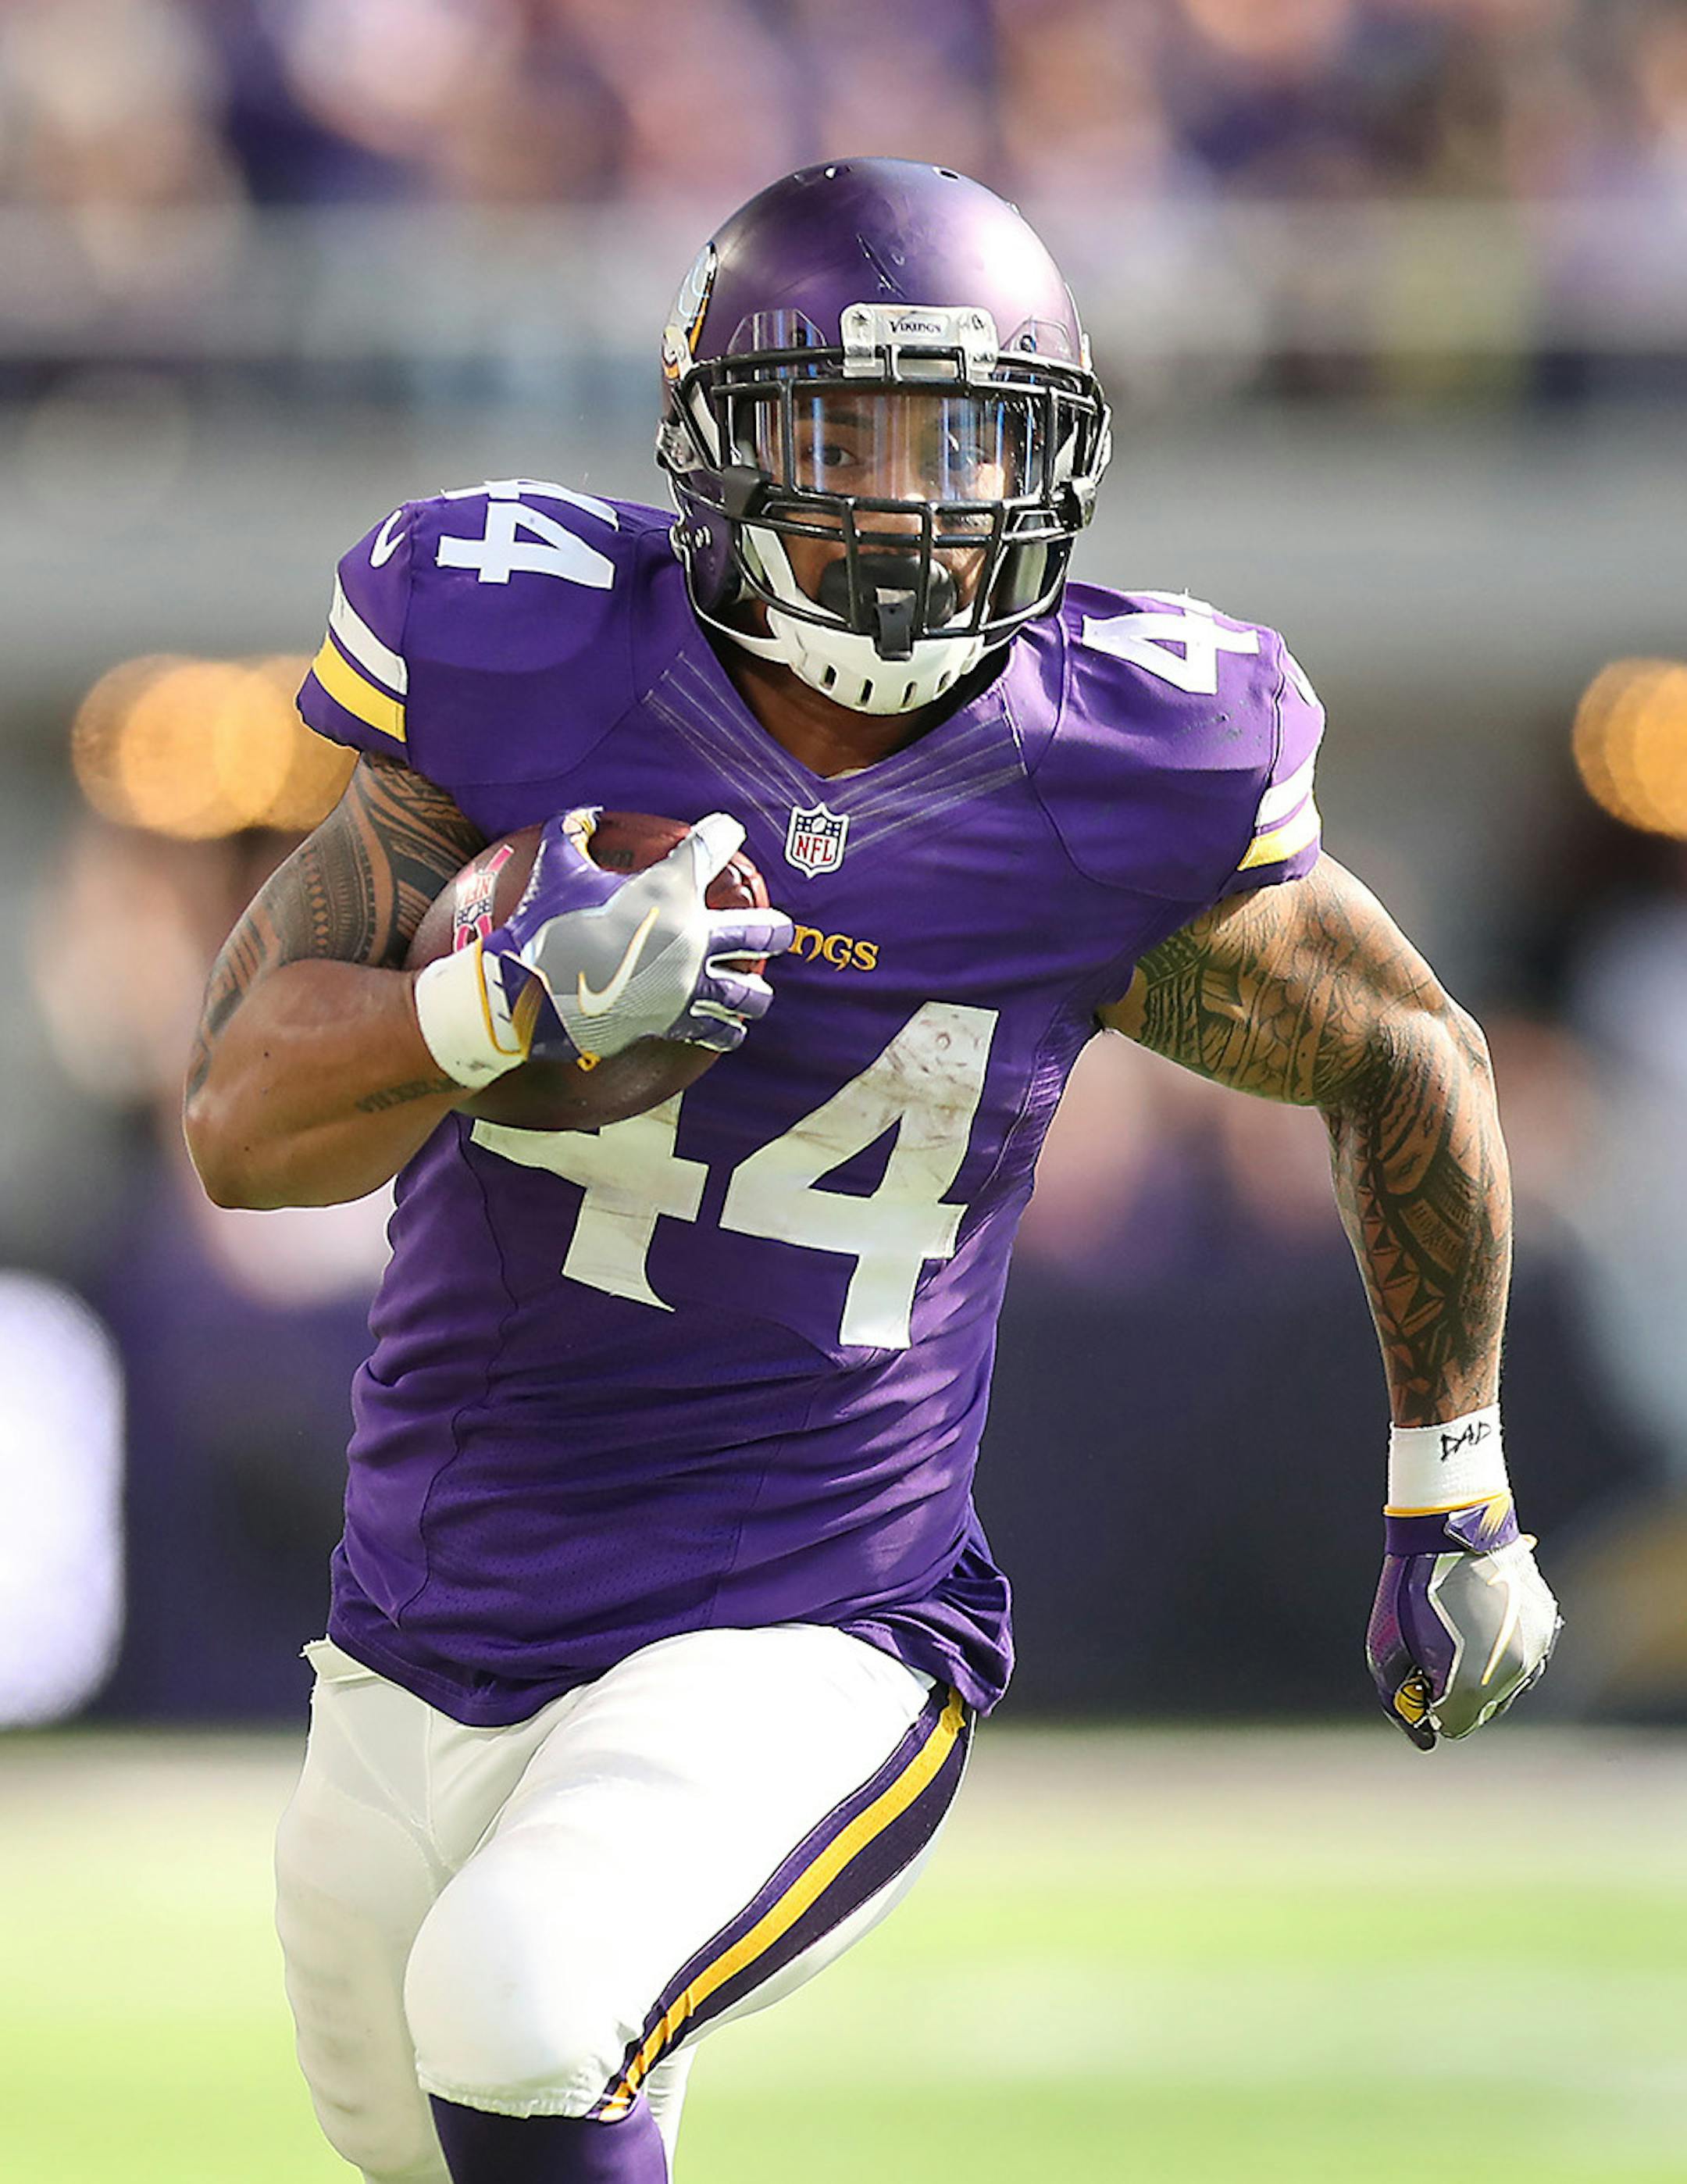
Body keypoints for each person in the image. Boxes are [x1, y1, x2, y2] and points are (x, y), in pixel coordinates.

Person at [184, 159, 1560, 2184]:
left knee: (534, 2001)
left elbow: (1403, 1053)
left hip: (813, 1623)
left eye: (970, 445)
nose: (916, 510)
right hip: (421, 1622)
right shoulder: (526, 658)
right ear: (714, 437)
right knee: (430, 2120)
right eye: (853, 438)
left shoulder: (1123, 758)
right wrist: (497, 1005)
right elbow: (238, 1115)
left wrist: (1459, 1483)